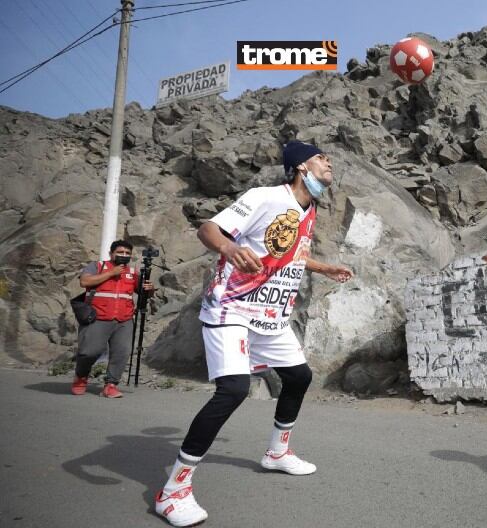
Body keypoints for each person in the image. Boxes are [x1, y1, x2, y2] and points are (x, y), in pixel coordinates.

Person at [155, 140, 353, 527]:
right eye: (320, 158)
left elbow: (289, 253)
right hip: (232, 308)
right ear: (300, 168)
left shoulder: (308, 210)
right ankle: (173, 491)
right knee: (233, 390)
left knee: (299, 376)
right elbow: (209, 228)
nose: (328, 162)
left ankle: (277, 453)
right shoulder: (264, 197)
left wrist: (323, 268)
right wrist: (229, 249)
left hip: (271, 316)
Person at [72, 240, 154, 398]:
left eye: (127, 253)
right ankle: (81, 376)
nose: (124, 256)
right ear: (111, 254)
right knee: (89, 352)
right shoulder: (98, 266)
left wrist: (150, 289)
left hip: (124, 319)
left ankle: (111, 384)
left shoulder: (132, 272)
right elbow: (84, 281)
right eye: (120, 252)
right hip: (98, 317)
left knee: (121, 352)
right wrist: (111, 273)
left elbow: (143, 293)